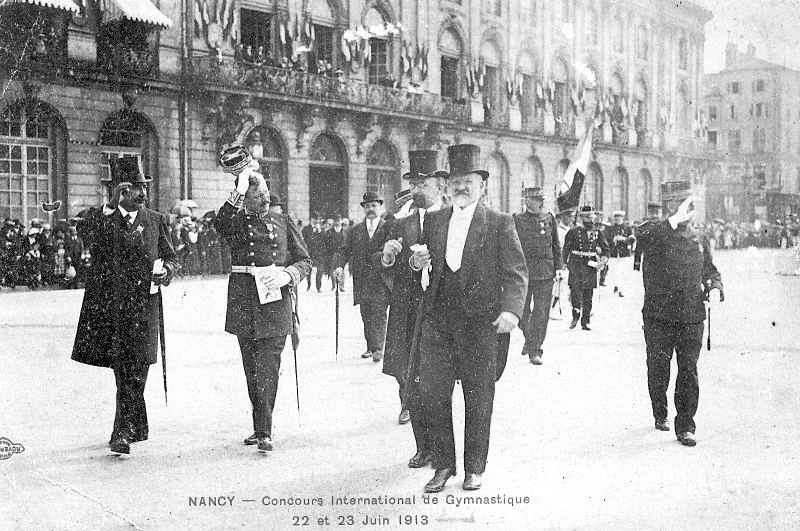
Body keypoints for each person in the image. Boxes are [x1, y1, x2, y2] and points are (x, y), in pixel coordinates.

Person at [409, 144, 527, 493]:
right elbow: (423, 264)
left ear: (482, 186)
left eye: (469, 181)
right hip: (439, 323)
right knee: (433, 394)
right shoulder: (434, 220)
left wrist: (511, 311)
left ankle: (474, 468)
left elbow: (516, 273)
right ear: (447, 186)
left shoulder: (500, 223)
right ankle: (444, 465)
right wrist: (417, 264)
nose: (462, 187)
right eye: (457, 181)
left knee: (478, 396)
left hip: (481, 324)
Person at [71, 156, 178, 455]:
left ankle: (127, 428)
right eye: (136, 188)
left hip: (145, 307)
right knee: (124, 369)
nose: (143, 193)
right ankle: (128, 429)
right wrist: (108, 204)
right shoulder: (102, 220)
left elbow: (171, 257)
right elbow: (85, 231)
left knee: (138, 368)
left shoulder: (156, 220)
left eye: (145, 187)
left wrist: (167, 271)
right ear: (121, 192)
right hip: (114, 311)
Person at [214, 146, 311, 452]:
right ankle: (260, 425)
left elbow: (305, 260)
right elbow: (220, 225)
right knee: (250, 368)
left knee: (268, 366)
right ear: (246, 198)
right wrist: (239, 190)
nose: (265, 198)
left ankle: (264, 430)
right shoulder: (237, 222)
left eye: (266, 192)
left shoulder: (283, 222)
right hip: (244, 301)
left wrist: (289, 275)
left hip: (275, 303)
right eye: (258, 194)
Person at [636, 182, 723, 447]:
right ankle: (659, 411)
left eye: (689, 205)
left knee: (688, 371)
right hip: (659, 316)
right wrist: (673, 220)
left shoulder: (698, 237)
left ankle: (685, 425)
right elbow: (647, 240)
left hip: (691, 315)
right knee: (659, 367)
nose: (689, 211)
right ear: (669, 207)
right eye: (682, 205)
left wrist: (716, 286)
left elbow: (709, 269)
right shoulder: (652, 231)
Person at [378, 150, 445, 467]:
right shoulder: (400, 223)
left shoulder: (451, 219)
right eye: (413, 183)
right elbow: (386, 270)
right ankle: (423, 447)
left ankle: (442, 450)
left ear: (439, 185)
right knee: (411, 380)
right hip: (407, 314)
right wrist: (389, 258)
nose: (417, 189)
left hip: (440, 314)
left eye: (424, 183)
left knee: (437, 383)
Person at [334, 192, 390, 362]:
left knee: (379, 313)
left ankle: (379, 348)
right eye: (367, 206)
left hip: (381, 279)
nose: (370, 209)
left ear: (380, 207)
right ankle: (370, 346)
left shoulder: (388, 227)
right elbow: (345, 249)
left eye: (373, 206)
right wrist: (339, 266)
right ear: (363, 209)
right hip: (362, 279)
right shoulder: (356, 230)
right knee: (366, 313)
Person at [513, 187, 562, 365]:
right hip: (523, 273)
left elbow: (555, 244)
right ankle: (529, 337)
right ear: (527, 201)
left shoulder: (549, 218)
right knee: (522, 312)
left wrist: (559, 267)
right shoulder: (517, 220)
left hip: (545, 273)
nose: (542, 202)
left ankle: (535, 349)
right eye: (537, 199)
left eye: (542, 198)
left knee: (541, 313)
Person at [562, 206, 609, 331]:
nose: (590, 221)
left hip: (590, 266)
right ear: (582, 218)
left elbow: (606, 250)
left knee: (588, 294)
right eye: (588, 218)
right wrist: (563, 263)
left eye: (592, 218)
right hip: (576, 264)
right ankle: (575, 316)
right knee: (575, 292)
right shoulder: (573, 231)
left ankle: (585, 321)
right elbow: (566, 249)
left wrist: (603, 261)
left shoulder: (598, 232)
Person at [604, 210, 635, 297]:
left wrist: (623, 239)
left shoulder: (627, 228)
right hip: (613, 253)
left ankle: (622, 290)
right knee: (614, 271)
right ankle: (616, 285)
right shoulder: (610, 228)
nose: (617, 219)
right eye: (616, 217)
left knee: (621, 271)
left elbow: (632, 239)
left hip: (624, 253)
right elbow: (606, 240)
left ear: (622, 218)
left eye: (619, 217)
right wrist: (612, 241)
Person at [633, 201, 662, 274]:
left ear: (660, 213)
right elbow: (639, 247)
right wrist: (637, 263)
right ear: (648, 213)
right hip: (648, 263)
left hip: (663, 263)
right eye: (651, 213)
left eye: (657, 212)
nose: (654, 215)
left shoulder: (666, 227)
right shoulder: (642, 228)